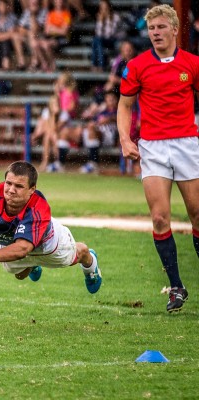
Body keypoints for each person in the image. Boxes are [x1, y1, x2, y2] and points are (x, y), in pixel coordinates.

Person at [117, 4, 199, 313]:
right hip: (152, 147)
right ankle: (176, 288)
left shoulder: (192, 64)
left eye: (162, 27)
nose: (156, 32)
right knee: (160, 218)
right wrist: (125, 138)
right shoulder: (137, 66)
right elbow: (125, 105)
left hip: (188, 144)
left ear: (175, 30)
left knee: (197, 215)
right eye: (152, 28)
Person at [0, 161, 102, 293]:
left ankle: (90, 264)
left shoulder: (38, 208)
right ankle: (32, 266)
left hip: (47, 244)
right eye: (8, 183)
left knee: (75, 255)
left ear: (32, 189)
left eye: (18, 186)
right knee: (19, 276)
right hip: (15, 242)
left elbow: (23, 248)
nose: (11, 190)